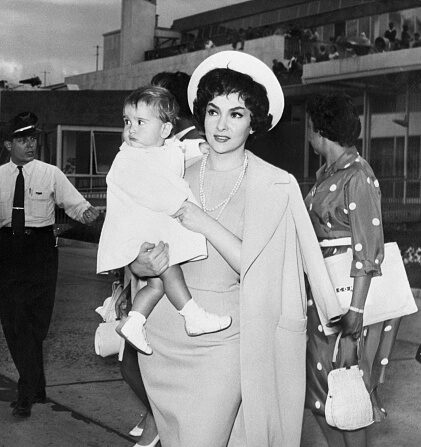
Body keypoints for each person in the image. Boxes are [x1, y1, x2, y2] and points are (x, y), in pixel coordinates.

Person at [119, 50, 342, 447]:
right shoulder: (172, 174)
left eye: (236, 114)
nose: (221, 125)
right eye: (213, 111)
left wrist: (203, 222)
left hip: (227, 342)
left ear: (254, 122)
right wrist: (139, 263)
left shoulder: (274, 185)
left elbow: (262, 270)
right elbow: (132, 244)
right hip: (164, 336)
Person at [97, 86, 232, 354]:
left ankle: (135, 321)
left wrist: (201, 147)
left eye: (139, 122)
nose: (131, 129)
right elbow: (155, 192)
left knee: (157, 284)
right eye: (127, 122)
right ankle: (192, 314)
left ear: (165, 130)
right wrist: (181, 206)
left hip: (144, 231)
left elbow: (178, 150)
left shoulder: (157, 150)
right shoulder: (129, 158)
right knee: (170, 267)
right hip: (135, 234)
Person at [305, 94, 401, 447]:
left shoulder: (357, 175)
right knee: (322, 397)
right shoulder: (330, 172)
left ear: (318, 129)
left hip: (347, 302)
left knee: (347, 397)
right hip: (324, 296)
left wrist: (354, 318)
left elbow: (368, 248)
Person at [0, 112, 99, 418]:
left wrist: (84, 217)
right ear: (8, 144)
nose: (30, 145)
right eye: (22, 139)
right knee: (13, 319)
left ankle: (34, 385)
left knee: (36, 322)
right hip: (7, 250)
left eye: (34, 139)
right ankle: (28, 391)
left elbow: (77, 205)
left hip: (41, 250)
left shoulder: (51, 173)